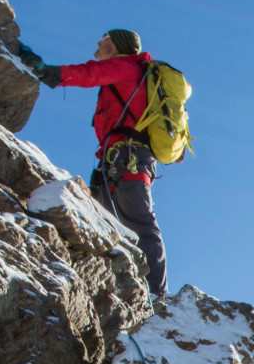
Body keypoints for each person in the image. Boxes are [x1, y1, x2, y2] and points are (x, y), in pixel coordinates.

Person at [27, 30, 169, 297]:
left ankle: (156, 296)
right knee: (114, 226)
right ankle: (128, 293)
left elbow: (90, 73)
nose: (98, 42)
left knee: (141, 225)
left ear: (118, 46)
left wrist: (50, 72)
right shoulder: (127, 70)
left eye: (105, 38)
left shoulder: (125, 66)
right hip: (119, 160)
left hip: (128, 159)